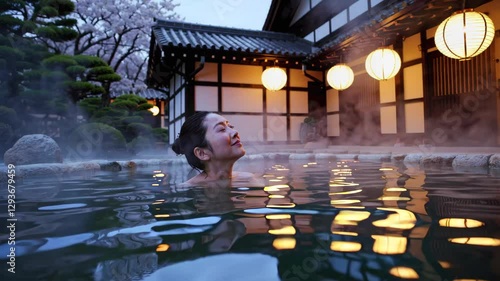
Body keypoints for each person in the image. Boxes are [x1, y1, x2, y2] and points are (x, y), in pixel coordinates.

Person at [172, 111, 262, 186]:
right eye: (222, 129)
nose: (235, 132)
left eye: (230, 127)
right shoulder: (187, 189)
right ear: (202, 153)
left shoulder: (249, 179)